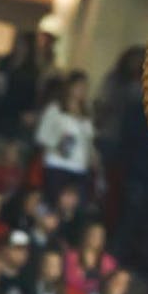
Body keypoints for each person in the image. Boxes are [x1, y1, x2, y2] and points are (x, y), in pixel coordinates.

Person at [35, 70, 97, 202]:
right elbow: (42, 135)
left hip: (80, 167)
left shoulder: (87, 112)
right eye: (79, 86)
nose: (82, 90)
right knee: (56, 201)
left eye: (85, 87)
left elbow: (89, 139)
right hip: (58, 163)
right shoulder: (56, 109)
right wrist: (58, 144)